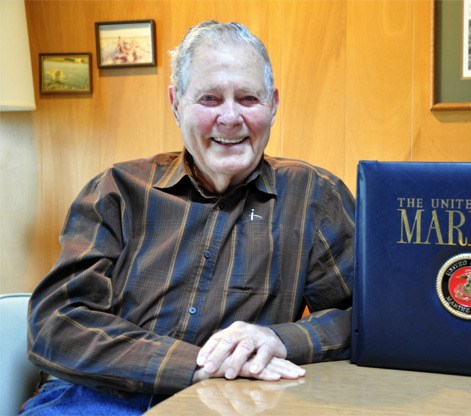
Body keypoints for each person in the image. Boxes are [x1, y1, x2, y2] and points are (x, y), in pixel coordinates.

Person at [22, 20, 354, 415]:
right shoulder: (117, 190)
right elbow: (56, 324)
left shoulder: (314, 196)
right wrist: (194, 366)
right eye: (210, 99)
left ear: (274, 104)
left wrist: (281, 339)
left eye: (248, 98)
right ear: (176, 103)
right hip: (99, 395)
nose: (230, 118)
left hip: (236, 402)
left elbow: (369, 317)